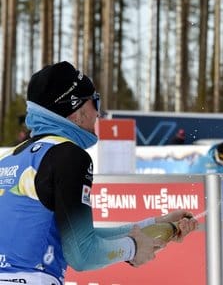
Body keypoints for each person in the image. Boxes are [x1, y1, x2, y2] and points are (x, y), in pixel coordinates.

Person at [0, 61, 199, 285]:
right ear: (76, 109)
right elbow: (82, 255)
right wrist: (133, 249)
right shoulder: (68, 155)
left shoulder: (9, 158)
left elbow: (79, 238)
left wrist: (154, 223)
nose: (98, 113)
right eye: (95, 101)